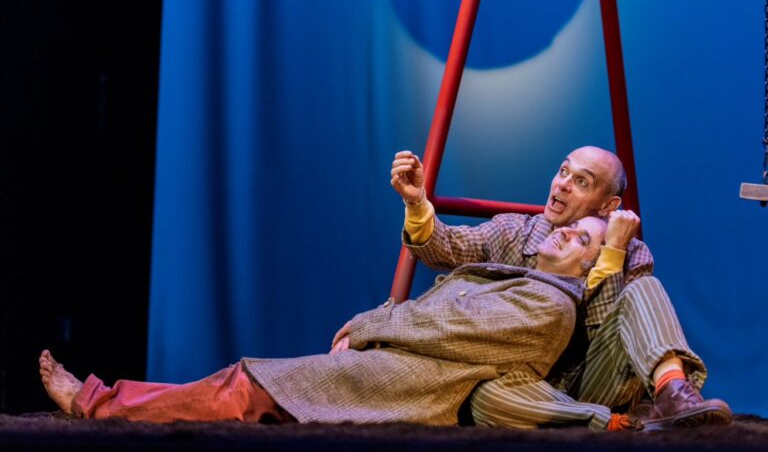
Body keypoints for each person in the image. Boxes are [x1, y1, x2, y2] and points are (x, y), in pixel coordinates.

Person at [40, 217, 609, 425]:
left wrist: (368, 327)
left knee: (246, 387)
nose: (564, 230)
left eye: (584, 239)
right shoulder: (523, 275)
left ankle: (97, 404)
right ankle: (106, 400)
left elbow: (449, 331)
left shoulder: (551, 305)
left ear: (590, 266)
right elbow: (442, 284)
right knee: (244, 390)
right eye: (571, 226)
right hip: (395, 365)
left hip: (413, 384)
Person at [390, 146, 732, 431]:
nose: (564, 184)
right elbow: (445, 246)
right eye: (563, 172)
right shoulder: (514, 232)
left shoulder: (629, 251)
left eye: (581, 181)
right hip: (528, 389)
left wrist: (610, 254)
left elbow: (603, 334)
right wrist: (417, 202)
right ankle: (604, 424)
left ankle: (672, 392)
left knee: (645, 289)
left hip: (593, 379)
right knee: (484, 396)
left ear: (608, 205)